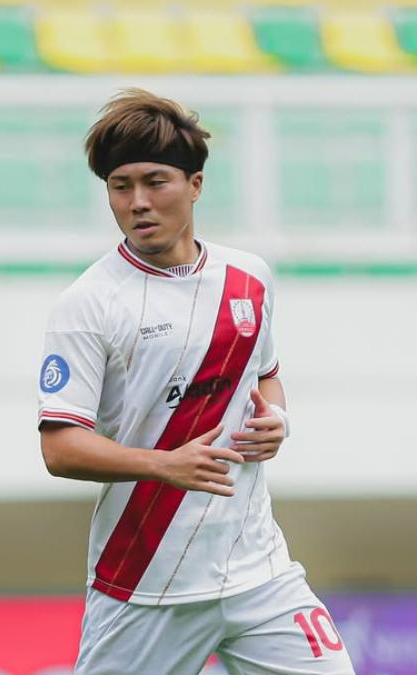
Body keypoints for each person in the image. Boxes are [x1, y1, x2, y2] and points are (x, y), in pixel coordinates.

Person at [36, 89, 354, 674]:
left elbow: (267, 378)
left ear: (196, 185)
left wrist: (277, 423)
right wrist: (163, 465)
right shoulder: (87, 304)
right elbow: (60, 448)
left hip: (259, 572)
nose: (138, 202)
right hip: (145, 582)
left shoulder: (249, 278)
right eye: (120, 186)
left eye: (156, 181)